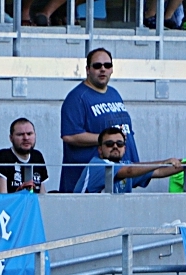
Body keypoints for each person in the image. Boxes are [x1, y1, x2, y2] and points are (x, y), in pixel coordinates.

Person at [59, 48, 141, 193]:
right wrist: (107, 140)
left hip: (119, 177)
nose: (102, 69)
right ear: (88, 69)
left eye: (107, 65)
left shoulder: (114, 93)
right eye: (97, 66)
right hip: (89, 184)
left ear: (112, 69)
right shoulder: (77, 98)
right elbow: (70, 135)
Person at [73, 127, 182, 193]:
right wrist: (163, 162)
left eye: (119, 143)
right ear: (100, 149)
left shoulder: (125, 165)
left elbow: (160, 171)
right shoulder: (97, 165)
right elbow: (129, 171)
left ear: (124, 148)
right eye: (109, 144)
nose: (115, 146)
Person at [0, 118, 48, 193]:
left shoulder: (38, 156)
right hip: (13, 204)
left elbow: (43, 194)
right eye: (20, 135)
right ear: (11, 138)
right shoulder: (3, 156)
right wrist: (20, 192)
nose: (26, 138)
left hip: (33, 204)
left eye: (29, 134)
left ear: (35, 135)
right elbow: (2, 197)